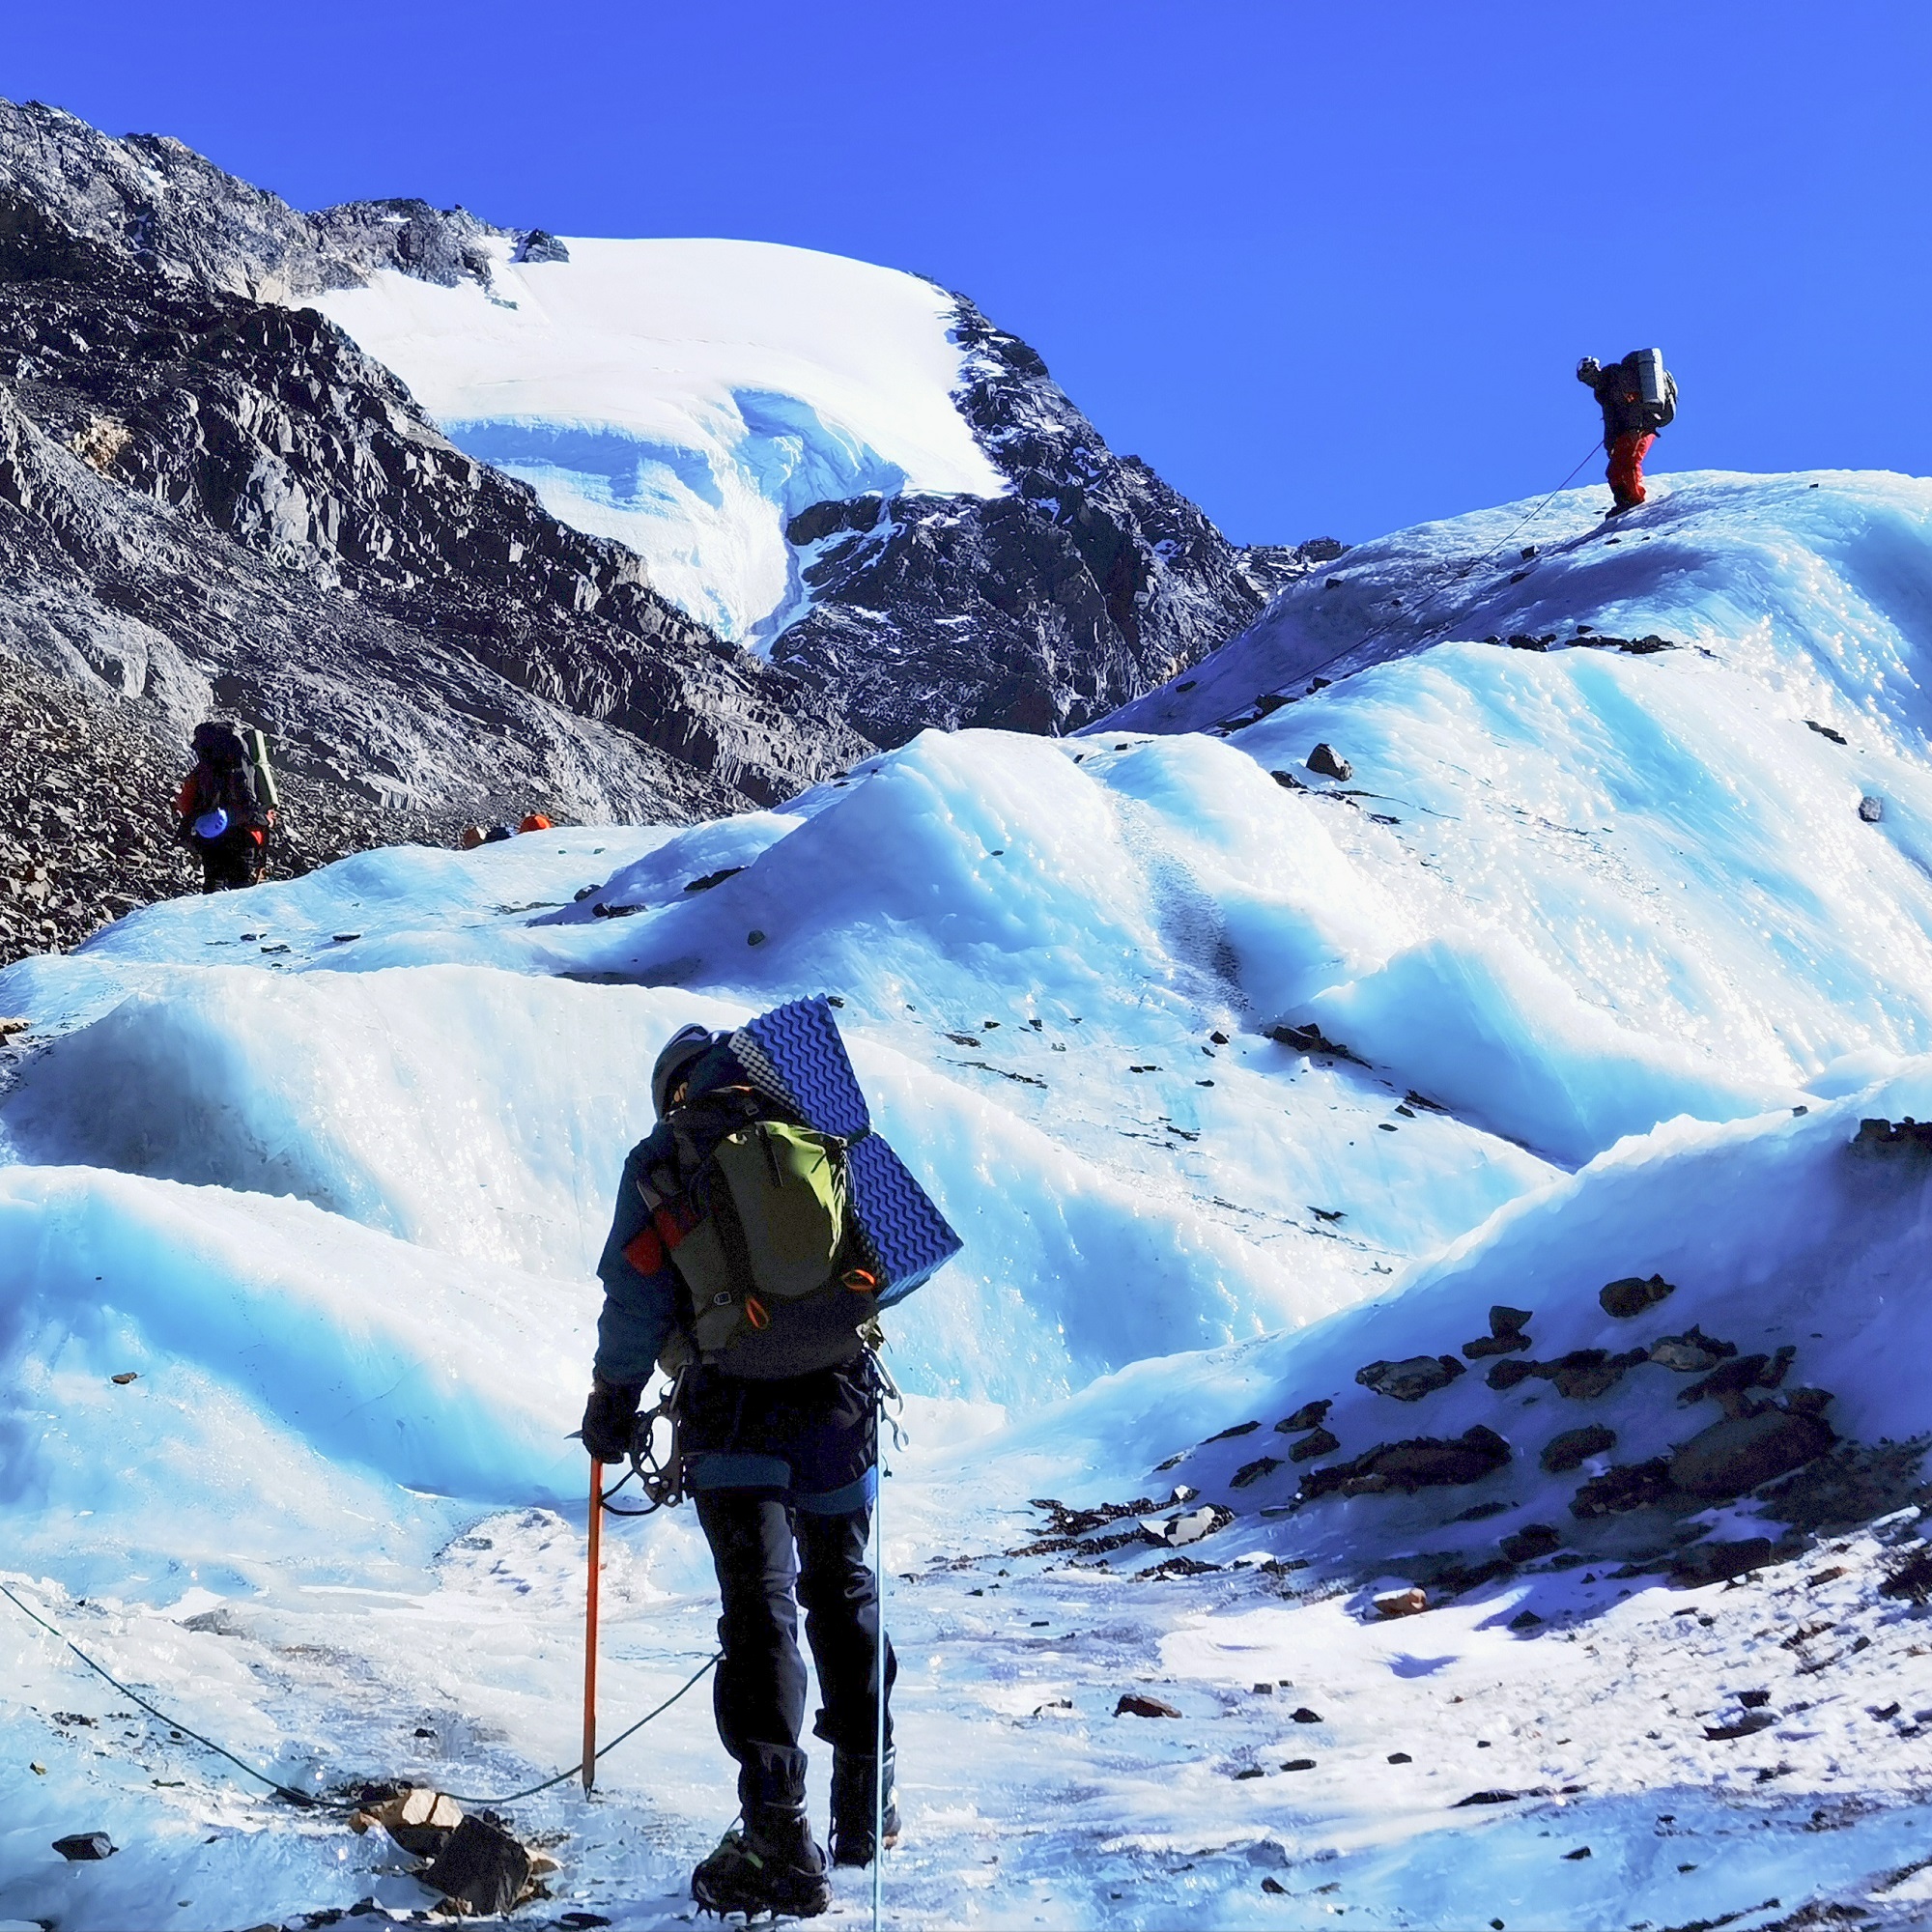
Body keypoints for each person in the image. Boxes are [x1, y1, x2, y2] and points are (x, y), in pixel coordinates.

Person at [581, 1024, 898, 1920]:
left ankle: (778, 1833)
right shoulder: (821, 1126)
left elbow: (635, 1295)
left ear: (670, 1092)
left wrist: (611, 1404)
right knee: (844, 1585)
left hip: (732, 1408)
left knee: (760, 1606)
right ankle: (865, 1800)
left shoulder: (663, 1159)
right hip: (838, 1398)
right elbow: (890, 1250)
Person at [174, 722, 271, 892]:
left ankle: (211, 916)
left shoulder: (203, 770)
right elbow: (251, 804)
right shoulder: (244, 768)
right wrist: (264, 820)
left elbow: (185, 801)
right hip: (243, 834)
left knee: (213, 880)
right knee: (241, 886)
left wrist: (193, 822)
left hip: (211, 832)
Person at [1577, 350, 1677, 514]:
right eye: (1584, 378)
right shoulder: (1602, 392)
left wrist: (1638, 424)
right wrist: (1610, 444)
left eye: (1588, 372)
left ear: (1596, 368)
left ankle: (1636, 501)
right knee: (1613, 470)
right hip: (1629, 430)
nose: (1588, 380)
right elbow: (1611, 419)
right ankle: (1623, 503)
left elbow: (1632, 400)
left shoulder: (1615, 375)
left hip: (1641, 427)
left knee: (1629, 463)